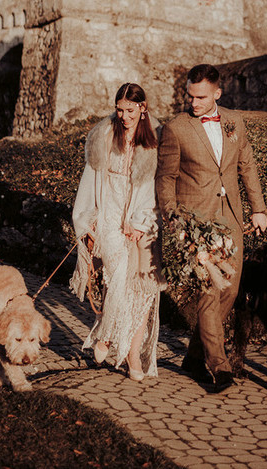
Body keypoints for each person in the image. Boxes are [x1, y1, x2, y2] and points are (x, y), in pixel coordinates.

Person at [156, 63, 267, 393]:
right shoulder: (175, 128)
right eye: (189, 96)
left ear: (217, 93)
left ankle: (193, 357)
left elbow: (247, 165)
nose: (193, 102)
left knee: (229, 290)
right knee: (209, 290)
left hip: (231, 217)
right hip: (196, 222)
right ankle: (219, 367)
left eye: (201, 97)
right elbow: (165, 178)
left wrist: (258, 209)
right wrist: (173, 217)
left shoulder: (235, 121)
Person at [70, 83, 165, 381]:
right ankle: (108, 336)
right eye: (120, 110)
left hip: (142, 218)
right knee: (120, 274)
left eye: (130, 110)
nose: (124, 116)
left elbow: (154, 188)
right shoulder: (104, 135)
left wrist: (139, 222)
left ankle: (129, 352)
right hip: (109, 218)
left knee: (142, 290)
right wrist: (87, 219)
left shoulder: (154, 139)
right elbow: (90, 181)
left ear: (142, 107)